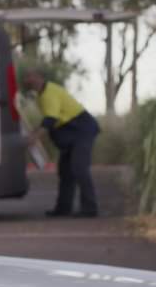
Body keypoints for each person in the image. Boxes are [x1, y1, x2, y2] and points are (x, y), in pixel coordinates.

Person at [23, 70, 100, 218]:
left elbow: (51, 120)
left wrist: (34, 137)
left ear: (39, 76)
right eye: (26, 77)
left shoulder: (50, 92)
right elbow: (49, 119)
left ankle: (90, 209)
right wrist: (34, 133)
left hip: (82, 129)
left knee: (79, 168)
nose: (27, 80)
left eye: (29, 76)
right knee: (65, 171)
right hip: (71, 135)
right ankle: (63, 208)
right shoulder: (41, 95)